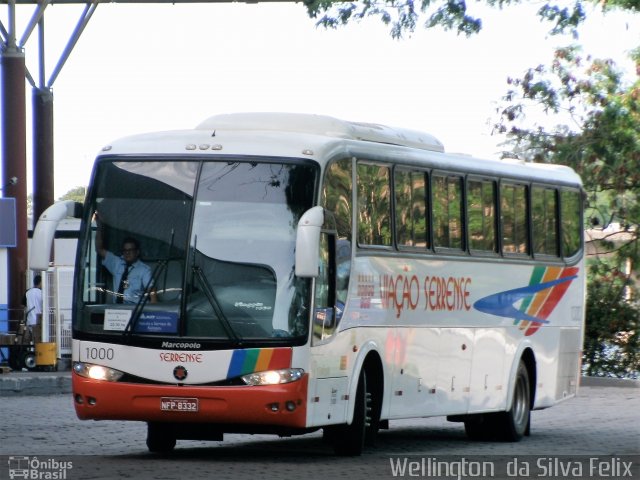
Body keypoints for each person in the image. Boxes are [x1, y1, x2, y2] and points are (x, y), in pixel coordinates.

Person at [95, 213, 156, 304]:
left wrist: (154, 313)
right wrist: (100, 227)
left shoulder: (144, 270)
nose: (127, 253)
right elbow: (99, 249)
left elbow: (152, 291)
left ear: (137, 252)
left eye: (130, 250)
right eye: (125, 250)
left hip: (135, 310)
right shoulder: (117, 263)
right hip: (117, 310)